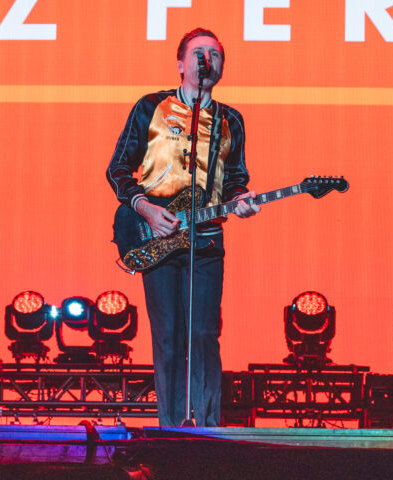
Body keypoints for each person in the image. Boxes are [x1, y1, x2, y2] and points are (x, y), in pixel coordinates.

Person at [107, 28, 259, 427]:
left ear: (222, 66)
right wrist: (145, 209)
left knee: (204, 335)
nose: (207, 58)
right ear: (180, 64)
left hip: (206, 239)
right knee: (169, 337)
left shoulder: (230, 119)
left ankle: (207, 429)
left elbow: (236, 177)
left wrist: (241, 199)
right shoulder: (151, 106)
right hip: (157, 232)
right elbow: (118, 168)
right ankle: (171, 427)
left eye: (215, 53)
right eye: (198, 52)